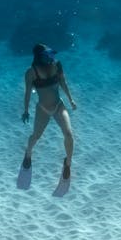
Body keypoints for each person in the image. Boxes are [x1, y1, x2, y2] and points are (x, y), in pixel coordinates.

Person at [21, 42, 77, 179]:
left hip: (59, 106)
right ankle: (28, 154)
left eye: (51, 54)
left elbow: (63, 83)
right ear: (40, 57)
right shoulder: (31, 72)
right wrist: (26, 110)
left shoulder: (57, 65)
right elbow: (27, 92)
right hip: (43, 109)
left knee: (69, 135)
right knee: (35, 136)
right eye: (47, 55)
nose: (51, 57)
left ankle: (68, 163)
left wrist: (70, 100)